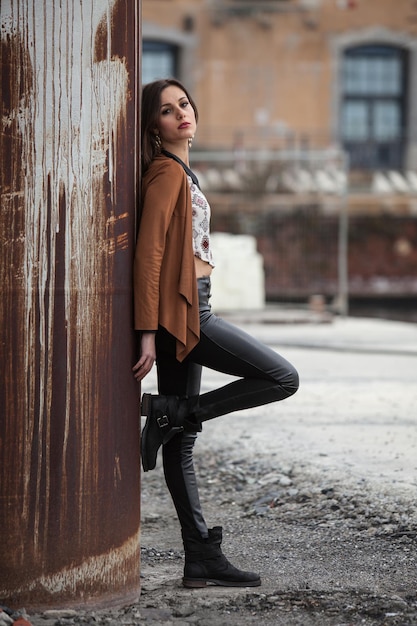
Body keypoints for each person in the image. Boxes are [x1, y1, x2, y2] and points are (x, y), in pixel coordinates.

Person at [132, 78, 299, 589]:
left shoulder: (183, 170)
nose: (181, 113)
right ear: (153, 127)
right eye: (166, 110)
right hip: (185, 316)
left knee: (181, 443)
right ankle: (171, 410)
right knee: (281, 377)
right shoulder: (165, 172)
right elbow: (149, 255)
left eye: (184, 104)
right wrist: (145, 334)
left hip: (189, 307)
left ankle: (199, 556)